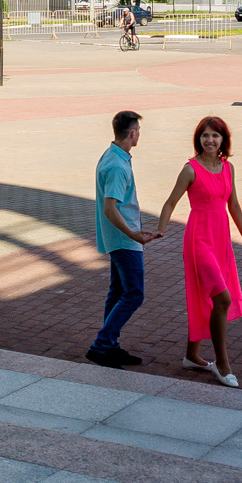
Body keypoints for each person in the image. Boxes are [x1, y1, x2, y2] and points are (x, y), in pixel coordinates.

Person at [154, 116, 242, 386]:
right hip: (198, 240)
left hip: (221, 239)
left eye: (215, 136)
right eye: (205, 135)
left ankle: (191, 356)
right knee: (222, 299)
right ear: (198, 139)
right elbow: (170, 202)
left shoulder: (228, 167)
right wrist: (161, 229)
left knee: (206, 298)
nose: (210, 140)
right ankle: (222, 364)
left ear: (224, 140)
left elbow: (233, 204)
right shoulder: (191, 169)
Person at [87, 110, 161, 368]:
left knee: (117, 291)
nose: (139, 134)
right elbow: (110, 207)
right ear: (132, 133)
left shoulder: (112, 155)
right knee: (134, 294)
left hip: (117, 239)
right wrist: (133, 234)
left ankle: (110, 346)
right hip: (124, 240)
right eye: (138, 130)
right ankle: (101, 345)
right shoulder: (117, 165)